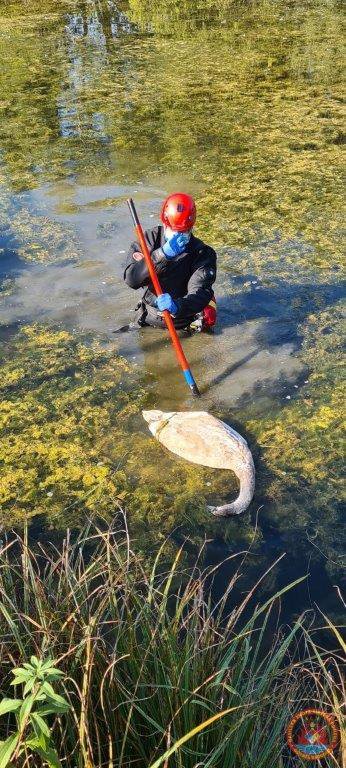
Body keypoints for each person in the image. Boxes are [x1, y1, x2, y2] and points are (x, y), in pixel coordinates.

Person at [123, 193, 217, 332]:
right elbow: (132, 279)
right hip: (147, 316)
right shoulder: (150, 239)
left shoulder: (203, 253)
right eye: (173, 229)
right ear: (164, 223)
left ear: (191, 227)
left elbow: (199, 292)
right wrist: (162, 255)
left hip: (182, 322)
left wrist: (177, 306)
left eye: (183, 231)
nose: (178, 235)